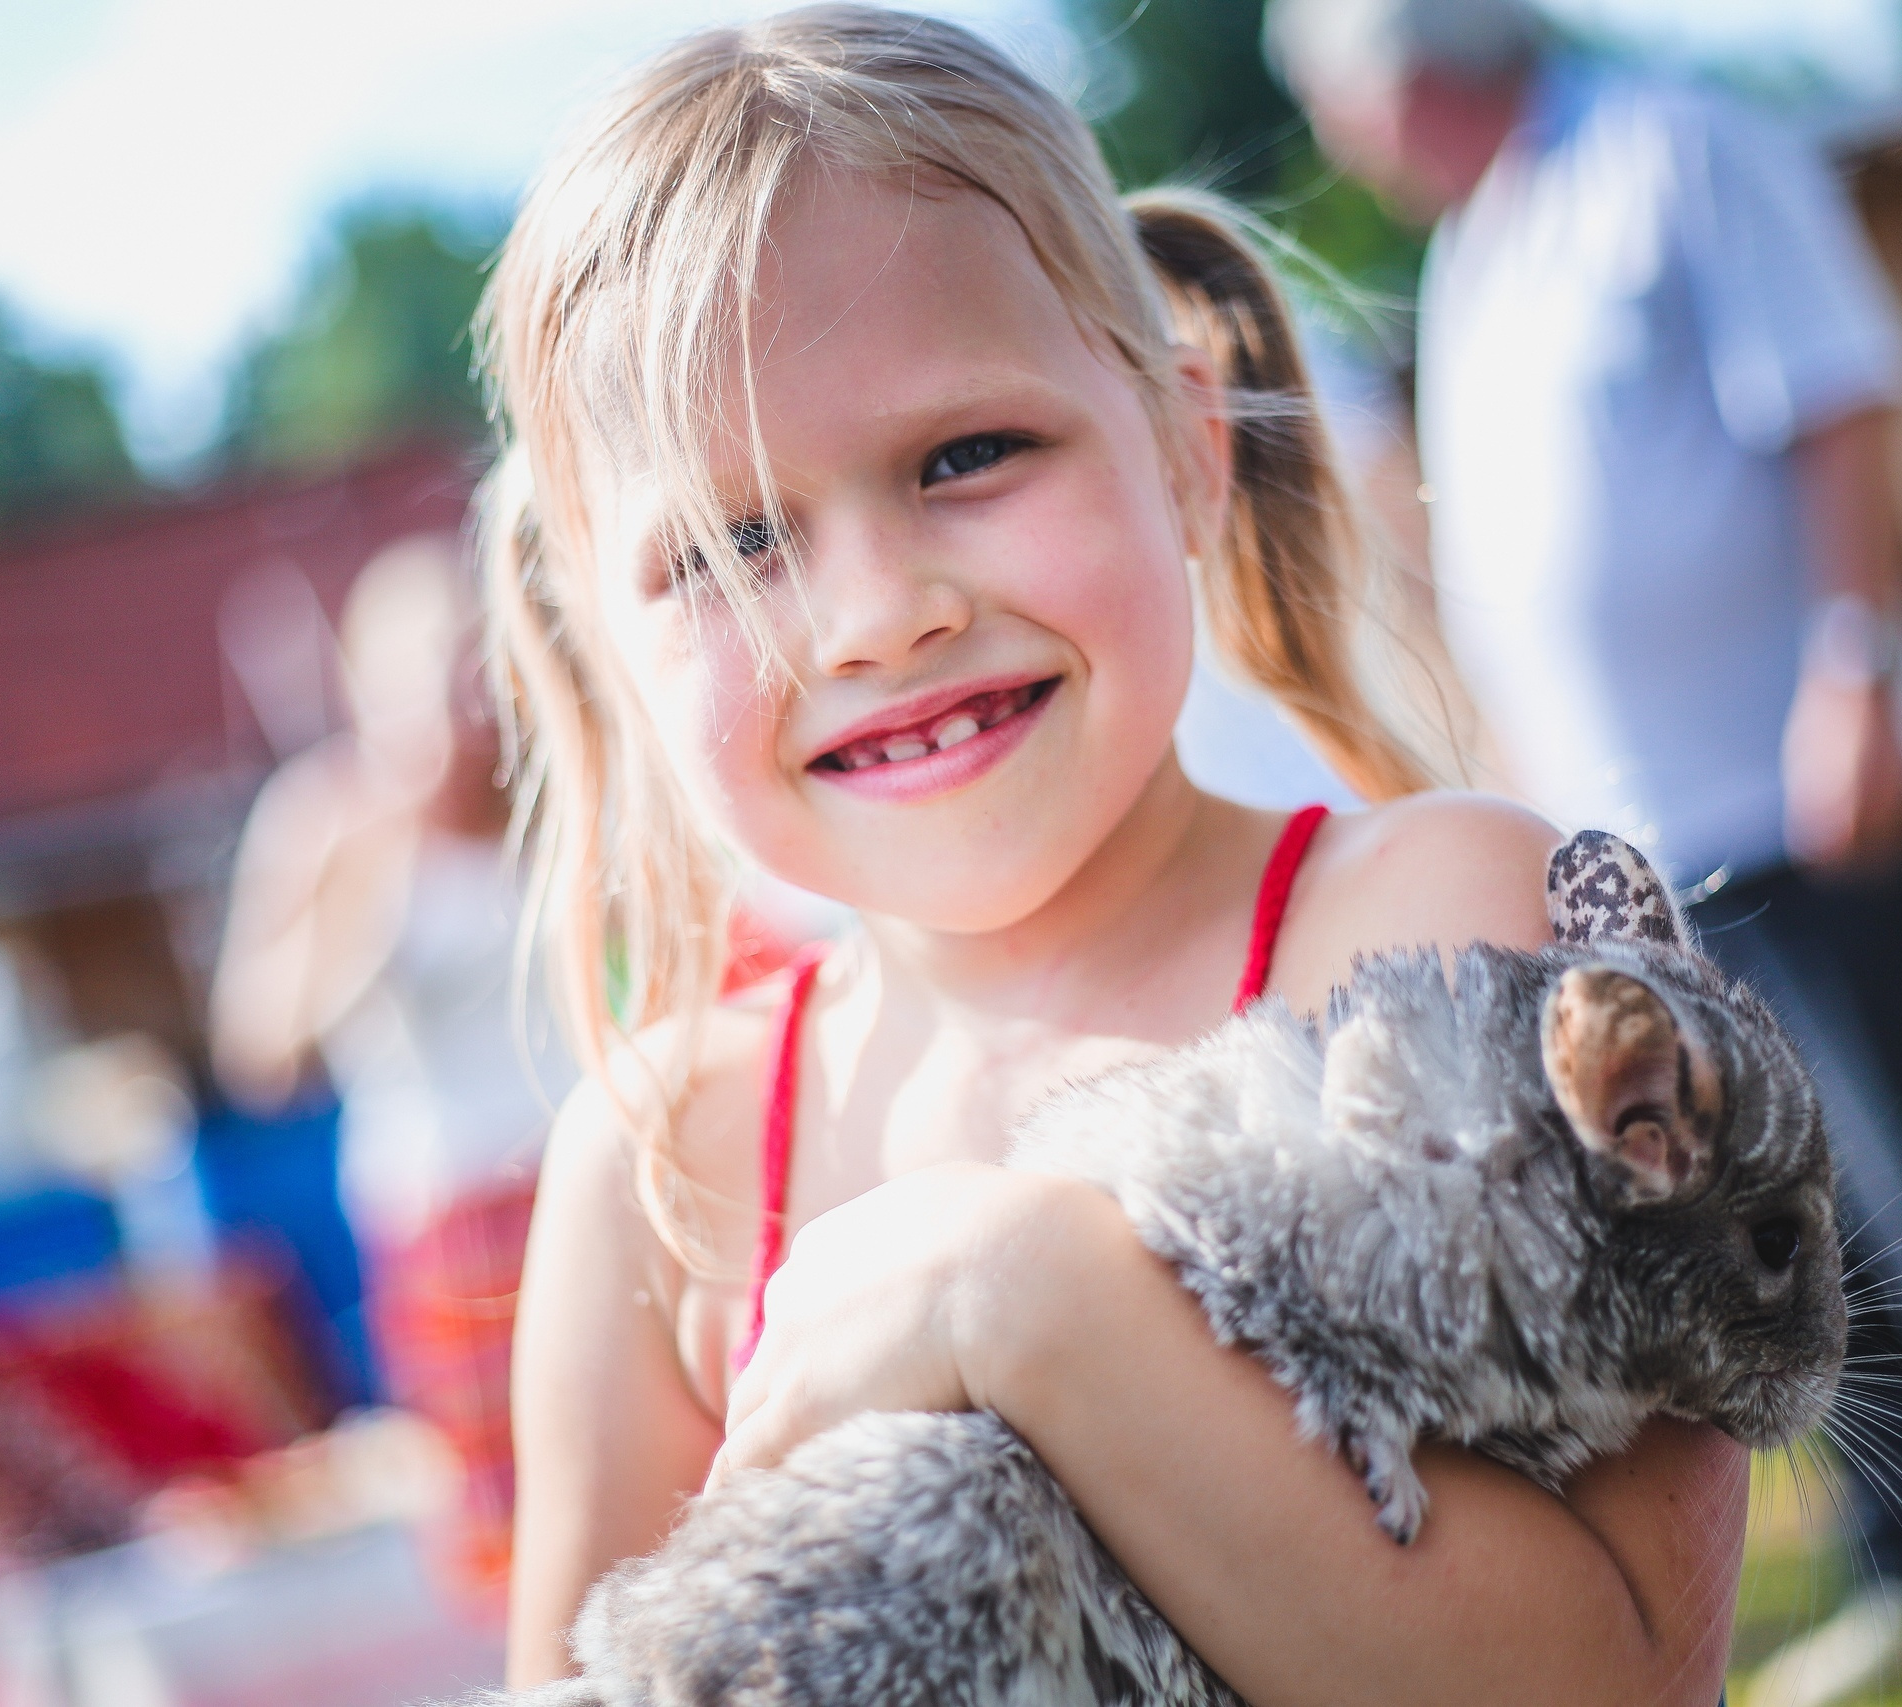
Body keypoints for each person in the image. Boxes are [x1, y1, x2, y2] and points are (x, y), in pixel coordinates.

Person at [481, 8, 1748, 1700]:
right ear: (602, 644)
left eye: (967, 455)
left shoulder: (1449, 934)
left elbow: (1620, 1678)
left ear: (1189, 447)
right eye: (736, 541)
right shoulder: (662, 1176)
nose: (876, 615)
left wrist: (1025, 1299)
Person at [1264, 0, 1902, 1702]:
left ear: (1399, 84)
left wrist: (1853, 672)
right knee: (1775, 1223)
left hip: (1807, 787)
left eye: (1337, 112)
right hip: (1648, 853)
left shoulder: (1674, 149)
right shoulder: (1484, 238)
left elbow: (1841, 399)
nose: (1345, 149)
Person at [211, 538, 574, 1588]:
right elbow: (260, 1056)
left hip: (587, 1170)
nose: (468, 701)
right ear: (371, 683)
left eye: (482, 667)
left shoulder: (550, 786)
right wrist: (355, 904)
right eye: (437, 673)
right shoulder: (329, 818)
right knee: (514, 1516)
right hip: (451, 1208)